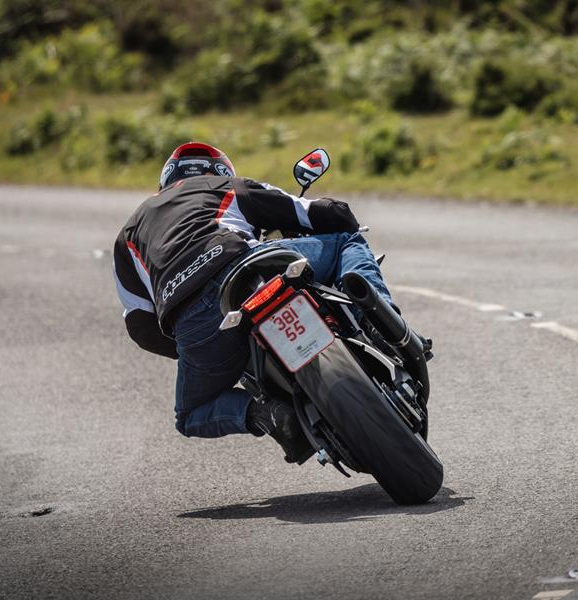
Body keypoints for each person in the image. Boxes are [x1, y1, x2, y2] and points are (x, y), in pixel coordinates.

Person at [112, 142, 398, 462]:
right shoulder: (228, 185)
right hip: (245, 262)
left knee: (191, 414)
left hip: (194, 316)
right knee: (347, 240)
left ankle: (266, 413)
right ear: (221, 171)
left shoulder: (128, 235)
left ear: (165, 180)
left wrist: (194, 349)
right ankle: (380, 322)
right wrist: (337, 216)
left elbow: (139, 324)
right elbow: (321, 213)